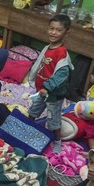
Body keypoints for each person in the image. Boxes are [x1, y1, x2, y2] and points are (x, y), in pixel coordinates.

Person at [27, 14, 74, 154]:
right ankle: (27, 128)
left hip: (53, 94)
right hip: (41, 90)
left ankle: (57, 141)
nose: (53, 32)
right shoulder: (48, 47)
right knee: (33, 111)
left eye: (58, 30)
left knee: (53, 120)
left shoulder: (62, 53)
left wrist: (47, 88)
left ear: (66, 32)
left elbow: (61, 75)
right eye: (51, 28)